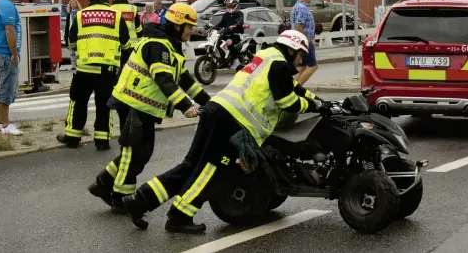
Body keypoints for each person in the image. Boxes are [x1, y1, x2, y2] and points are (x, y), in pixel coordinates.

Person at [122, 30, 322, 234]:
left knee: (191, 166)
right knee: (213, 171)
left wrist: (316, 98)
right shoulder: (279, 65)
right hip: (232, 121)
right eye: (299, 55)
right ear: (290, 49)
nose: (300, 61)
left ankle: (139, 201)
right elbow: (287, 101)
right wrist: (313, 106)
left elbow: (293, 87)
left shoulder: (266, 56)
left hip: (216, 111)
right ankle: (179, 216)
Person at [88, 3, 211, 212]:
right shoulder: (159, 46)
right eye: (189, 27)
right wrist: (185, 107)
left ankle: (103, 183)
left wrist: (210, 103)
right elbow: (163, 79)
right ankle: (121, 197)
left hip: (141, 104)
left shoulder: (170, 46)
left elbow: (184, 81)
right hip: (132, 102)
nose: (191, 31)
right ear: (178, 25)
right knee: (135, 152)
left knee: (139, 151)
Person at [57, 0, 130, 150]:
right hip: (107, 70)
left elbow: (71, 42)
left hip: (84, 69)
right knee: (104, 104)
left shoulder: (80, 15)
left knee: (78, 102)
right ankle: (102, 141)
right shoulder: (116, 16)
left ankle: (73, 137)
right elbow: (126, 44)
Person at [0, 0, 24, 135]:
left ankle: (0, 122)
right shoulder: (7, 6)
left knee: (6, 87)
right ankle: (5, 125)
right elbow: (9, 31)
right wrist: (14, 54)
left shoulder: (3, 4)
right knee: (6, 88)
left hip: (3, 53)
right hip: (6, 54)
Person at [290, 0, 318, 84]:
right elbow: (299, 25)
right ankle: (298, 89)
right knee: (313, 66)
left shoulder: (297, 6)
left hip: (298, 41)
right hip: (304, 41)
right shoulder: (302, 8)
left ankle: (292, 88)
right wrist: (306, 42)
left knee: (302, 67)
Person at [110, 0, 143, 69]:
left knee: (116, 70)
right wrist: (140, 45)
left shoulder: (110, 9)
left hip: (114, 46)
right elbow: (138, 29)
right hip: (132, 46)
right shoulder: (133, 8)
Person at [215, 0, 245, 69]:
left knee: (229, 42)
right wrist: (213, 27)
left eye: (231, 5)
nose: (230, 7)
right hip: (226, 34)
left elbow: (240, 22)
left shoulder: (240, 14)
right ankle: (223, 60)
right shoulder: (226, 15)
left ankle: (233, 58)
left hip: (236, 35)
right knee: (218, 43)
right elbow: (221, 24)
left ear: (236, 5)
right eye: (228, 5)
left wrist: (234, 26)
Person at [64, 0, 82, 70]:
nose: (73, 5)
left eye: (74, 3)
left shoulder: (79, 13)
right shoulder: (69, 14)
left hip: (78, 34)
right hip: (70, 34)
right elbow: (67, 25)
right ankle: (73, 65)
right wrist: (66, 36)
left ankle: (79, 64)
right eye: (71, 3)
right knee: (71, 51)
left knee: (78, 50)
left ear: (77, 4)